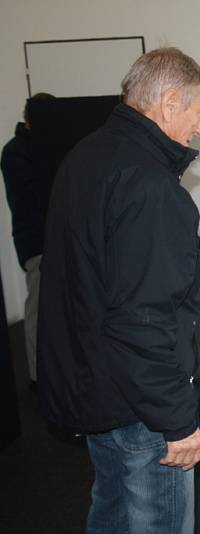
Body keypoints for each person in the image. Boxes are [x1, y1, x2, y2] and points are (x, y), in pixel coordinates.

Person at [37, 48, 200, 534]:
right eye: (199, 112)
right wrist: (177, 421)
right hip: (142, 404)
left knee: (111, 513)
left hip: (96, 387)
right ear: (170, 102)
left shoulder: (87, 155)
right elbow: (144, 316)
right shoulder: (150, 185)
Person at [1, 92, 54, 387]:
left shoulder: (38, 148)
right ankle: (37, 375)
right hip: (35, 241)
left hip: (52, 239)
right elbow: (30, 196)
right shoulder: (16, 151)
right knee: (37, 310)